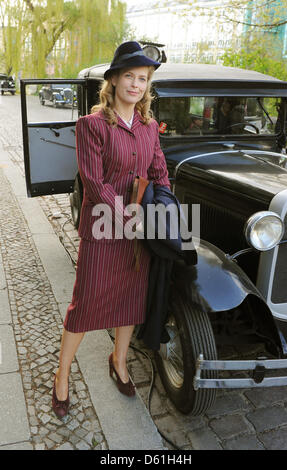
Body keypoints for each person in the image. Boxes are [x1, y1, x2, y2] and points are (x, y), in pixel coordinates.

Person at [52, 41, 170, 419]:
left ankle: (119, 361)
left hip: (137, 232)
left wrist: (165, 204)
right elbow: (94, 181)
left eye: (143, 79)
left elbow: (159, 172)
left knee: (130, 302)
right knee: (85, 304)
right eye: (130, 76)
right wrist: (127, 217)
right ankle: (62, 374)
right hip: (104, 229)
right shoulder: (91, 125)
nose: (136, 84)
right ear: (115, 80)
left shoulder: (149, 128)